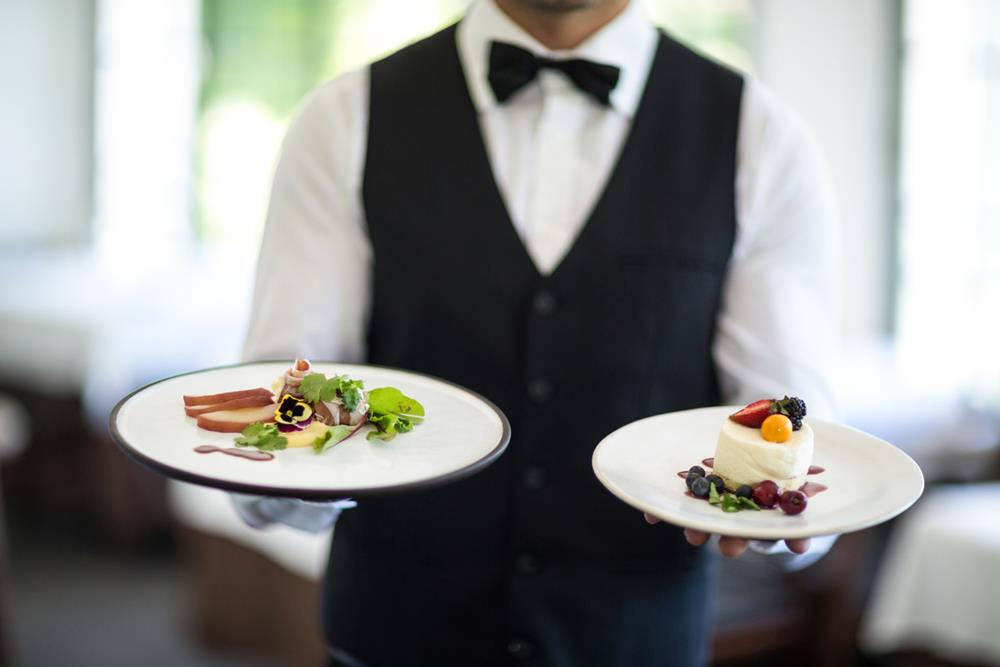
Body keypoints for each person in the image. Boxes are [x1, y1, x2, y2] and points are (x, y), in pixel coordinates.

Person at [236, 0, 839, 664]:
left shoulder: (762, 137)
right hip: (395, 634)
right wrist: (284, 470)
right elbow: (285, 397)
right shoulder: (344, 118)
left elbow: (790, 426)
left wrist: (770, 512)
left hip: (635, 639)